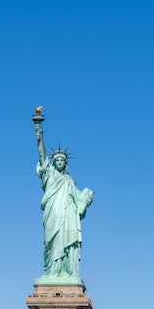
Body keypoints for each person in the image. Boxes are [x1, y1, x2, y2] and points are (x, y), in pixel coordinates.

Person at [33, 119, 94, 282]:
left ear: (65, 163)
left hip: (67, 218)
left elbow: (79, 199)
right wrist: (39, 134)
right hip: (52, 214)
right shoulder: (50, 174)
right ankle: (52, 272)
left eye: (62, 160)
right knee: (51, 243)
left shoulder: (69, 181)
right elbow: (41, 154)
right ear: (53, 162)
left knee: (66, 241)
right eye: (57, 160)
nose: (59, 162)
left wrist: (86, 200)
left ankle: (67, 271)